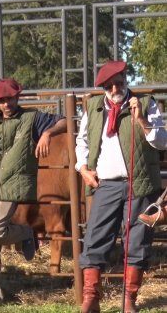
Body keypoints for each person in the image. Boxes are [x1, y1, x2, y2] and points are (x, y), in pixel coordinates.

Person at [75, 60, 167, 313]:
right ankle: (91, 298)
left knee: (137, 241)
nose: (115, 88)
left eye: (119, 83)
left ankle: (129, 300)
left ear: (126, 81)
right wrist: (82, 168)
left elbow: (161, 142)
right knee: (94, 239)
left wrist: (141, 121)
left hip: (140, 184)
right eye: (109, 85)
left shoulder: (146, 104)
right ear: (103, 86)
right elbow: (82, 142)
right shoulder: (93, 107)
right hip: (105, 184)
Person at [0, 78, 67, 306]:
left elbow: (64, 121)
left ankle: (26, 233)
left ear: (18, 98)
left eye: (10, 99)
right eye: (2, 100)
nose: (7, 104)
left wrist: (47, 134)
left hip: (13, 184)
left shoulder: (32, 117)